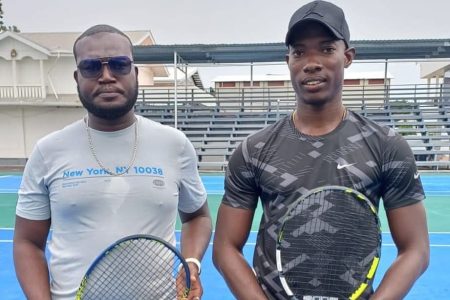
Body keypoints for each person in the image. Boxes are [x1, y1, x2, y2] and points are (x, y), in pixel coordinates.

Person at [213, 1, 429, 299]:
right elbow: (225, 248)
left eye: (326, 49)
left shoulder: (387, 146)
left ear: (347, 56)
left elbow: (415, 249)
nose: (311, 62)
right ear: (287, 60)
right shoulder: (253, 149)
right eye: (299, 51)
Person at [13, 24, 211, 300]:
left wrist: (192, 263)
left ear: (135, 73)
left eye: (119, 64)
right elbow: (27, 242)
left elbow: (198, 217)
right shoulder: (48, 151)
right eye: (91, 67)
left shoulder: (174, 144)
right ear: (77, 77)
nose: (106, 76)